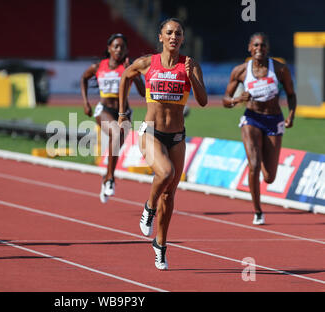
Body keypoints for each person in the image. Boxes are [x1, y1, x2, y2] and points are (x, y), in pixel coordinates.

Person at [118, 18, 208, 269]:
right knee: (165, 172)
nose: (174, 37)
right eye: (169, 33)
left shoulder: (190, 65)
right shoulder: (148, 63)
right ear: (160, 37)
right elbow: (125, 76)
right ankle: (148, 207)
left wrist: (193, 77)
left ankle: (160, 244)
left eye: (178, 33)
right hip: (151, 132)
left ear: (182, 38)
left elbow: (202, 101)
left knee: (170, 195)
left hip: (177, 136)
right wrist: (123, 112)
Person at [222, 32, 296, 225]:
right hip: (251, 119)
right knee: (253, 164)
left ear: (267, 48)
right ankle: (257, 211)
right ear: (249, 48)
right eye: (255, 45)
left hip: (273, 119)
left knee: (270, 177)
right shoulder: (240, 71)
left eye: (262, 46)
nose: (259, 49)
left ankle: (262, 156)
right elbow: (225, 101)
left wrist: (291, 115)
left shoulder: (279, 69)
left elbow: (291, 93)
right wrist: (238, 99)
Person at [81, 33, 145, 203]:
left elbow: (143, 93)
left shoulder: (129, 68)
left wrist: (134, 73)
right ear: (109, 48)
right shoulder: (98, 67)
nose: (119, 50)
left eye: (122, 47)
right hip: (104, 110)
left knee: (116, 143)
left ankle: (107, 177)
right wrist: (86, 102)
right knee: (116, 134)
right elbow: (84, 78)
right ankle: (110, 178)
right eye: (116, 46)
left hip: (124, 113)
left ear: (126, 51)